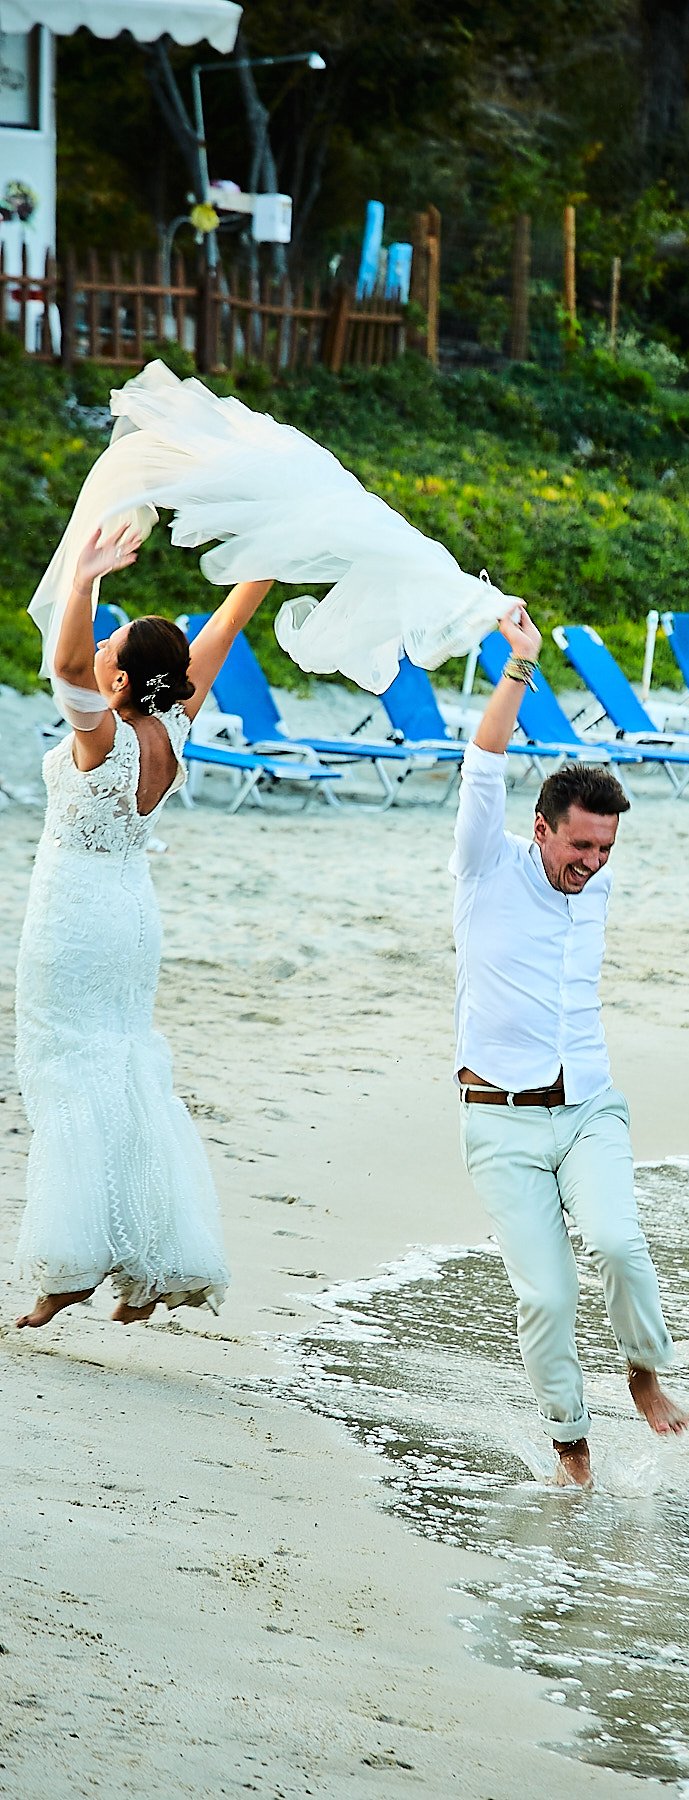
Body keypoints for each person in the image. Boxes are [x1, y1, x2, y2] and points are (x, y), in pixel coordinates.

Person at [452, 604, 689, 1486]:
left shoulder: (595, 879)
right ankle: (571, 1445)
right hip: (500, 1120)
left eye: (606, 848)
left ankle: (643, 1373)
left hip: (589, 1104)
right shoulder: (486, 865)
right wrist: (519, 665)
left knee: (620, 1245)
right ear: (542, 829)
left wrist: (598, 862)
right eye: (580, 845)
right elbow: (484, 763)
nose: (593, 862)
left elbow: (598, 865)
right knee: (546, 1299)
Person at [14, 525, 273, 1328]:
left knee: (67, 1073)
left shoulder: (106, 734)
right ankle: (151, 1266)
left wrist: (84, 577)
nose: (96, 649)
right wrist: (268, 560)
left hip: (76, 919)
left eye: (109, 645)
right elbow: (221, 629)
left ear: (120, 678)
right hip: (133, 917)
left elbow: (63, 665)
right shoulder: (175, 722)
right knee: (125, 1071)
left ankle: (73, 1264)